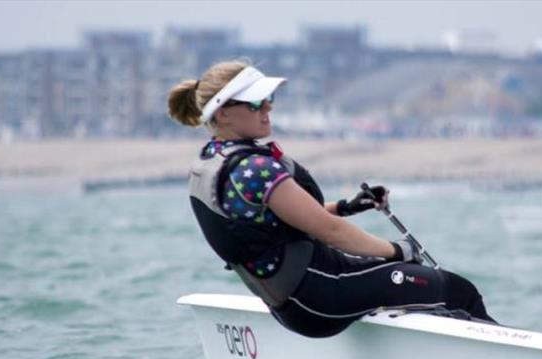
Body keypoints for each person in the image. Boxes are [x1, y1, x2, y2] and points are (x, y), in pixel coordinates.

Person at [167, 60, 497, 338]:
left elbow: (280, 218)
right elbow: (330, 232)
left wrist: (345, 207)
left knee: (408, 278)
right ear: (223, 114)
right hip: (321, 295)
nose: (268, 107)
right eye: (255, 103)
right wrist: (398, 249)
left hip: (299, 299)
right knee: (456, 290)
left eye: (267, 98)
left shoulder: (214, 160)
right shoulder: (254, 169)